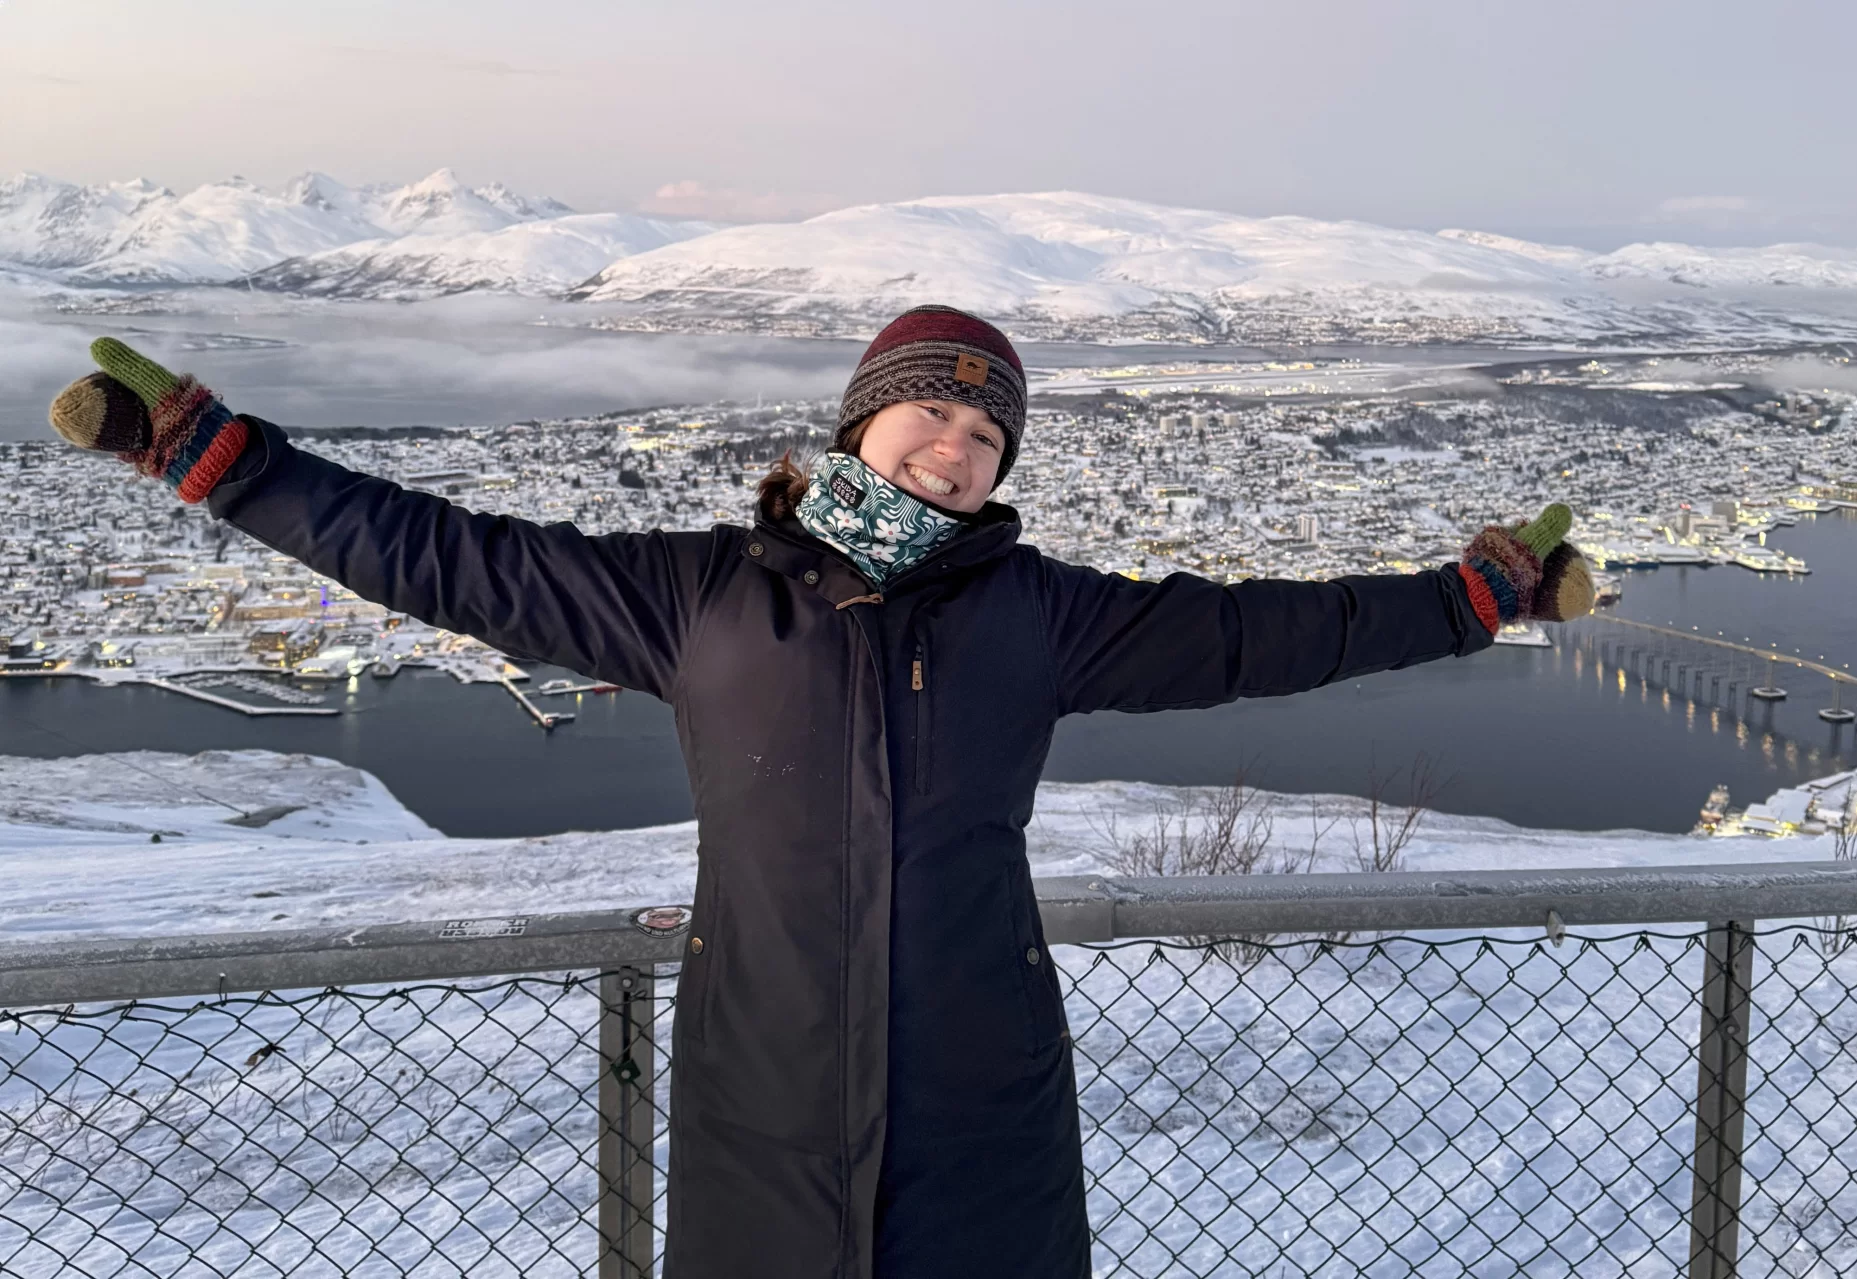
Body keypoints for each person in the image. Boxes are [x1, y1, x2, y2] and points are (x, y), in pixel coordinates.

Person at [49, 305, 1592, 1278]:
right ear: (860, 423)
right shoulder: (701, 596)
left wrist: (1473, 596)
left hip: (984, 1111)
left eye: (987, 434)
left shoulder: (1042, 613)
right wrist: (221, 459)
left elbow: (1274, 630)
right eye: (933, 410)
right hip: (760, 1101)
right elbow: (450, 557)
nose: (956, 446)